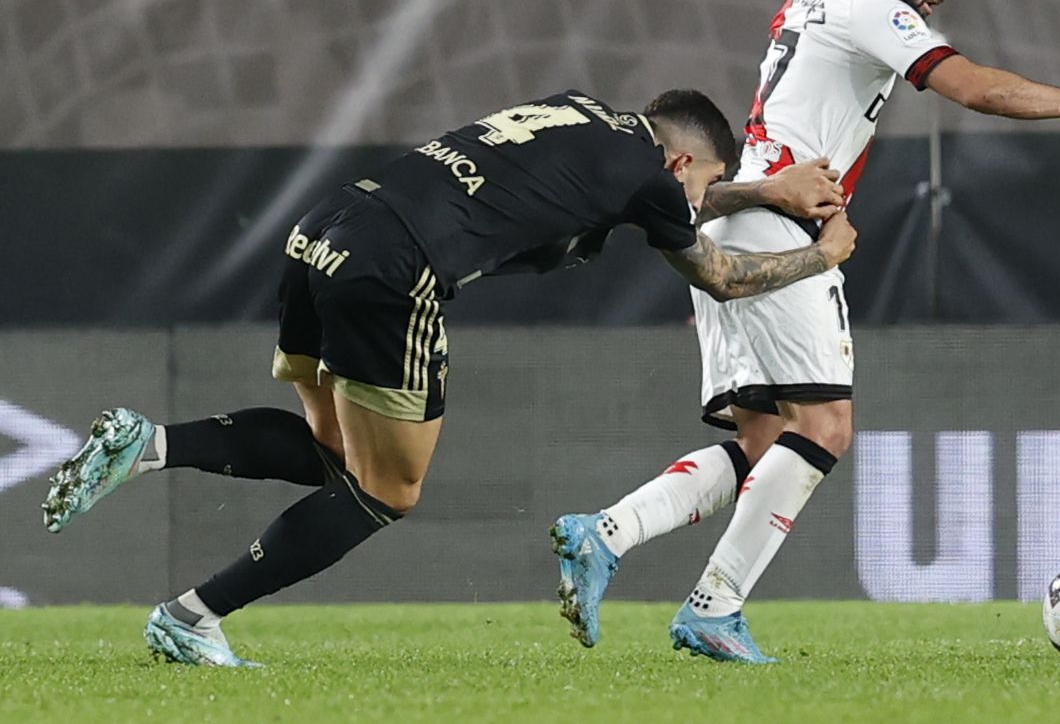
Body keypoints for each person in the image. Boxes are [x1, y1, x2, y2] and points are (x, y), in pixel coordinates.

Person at [552, 0, 1060, 664]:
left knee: (766, 443)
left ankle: (609, 533)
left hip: (727, 217)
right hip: (779, 221)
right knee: (827, 427)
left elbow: (824, 14)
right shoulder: (871, 5)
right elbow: (970, 86)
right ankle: (712, 606)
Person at [42, 87, 856, 667]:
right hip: (397, 270)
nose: (700, 198)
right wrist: (820, 255)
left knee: (335, 455)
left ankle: (148, 443)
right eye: (704, 184)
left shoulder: (579, 112)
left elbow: (619, 211)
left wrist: (750, 188)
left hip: (324, 229)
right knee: (386, 492)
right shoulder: (649, 175)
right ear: (680, 158)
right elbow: (715, 272)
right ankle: (192, 616)